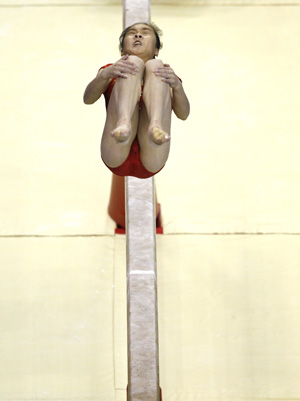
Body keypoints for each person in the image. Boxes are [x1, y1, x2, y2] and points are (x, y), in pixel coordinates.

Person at [83, 22, 190, 178]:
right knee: (131, 64)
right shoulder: (112, 70)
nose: (138, 35)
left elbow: (183, 114)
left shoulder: (166, 75)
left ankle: (155, 126)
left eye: (145, 32)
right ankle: (123, 123)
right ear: (121, 50)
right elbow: (88, 98)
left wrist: (177, 86)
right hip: (115, 147)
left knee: (155, 67)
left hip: (152, 155)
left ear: (156, 49)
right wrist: (105, 74)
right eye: (132, 33)